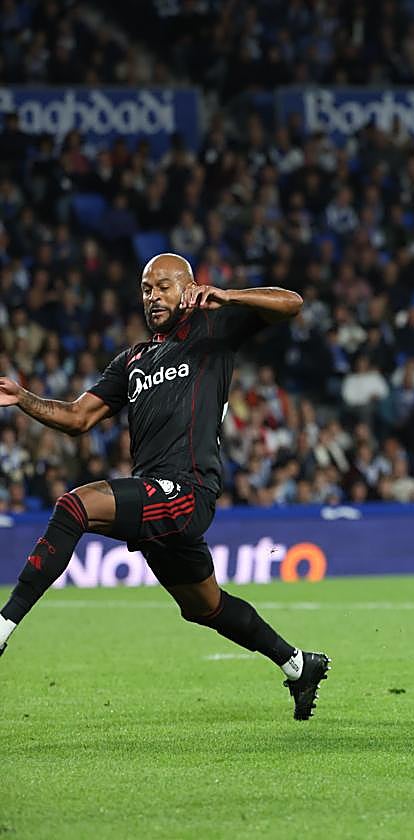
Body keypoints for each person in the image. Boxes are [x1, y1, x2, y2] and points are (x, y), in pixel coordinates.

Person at [0, 254, 330, 721]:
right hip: (155, 497)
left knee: (76, 506)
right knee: (204, 607)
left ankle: (3, 624)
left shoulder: (214, 330)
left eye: (162, 287)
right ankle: (299, 665)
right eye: (145, 289)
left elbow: (292, 304)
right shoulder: (132, 360)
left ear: (189, 288)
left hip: (187, 490)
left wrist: (229, 295)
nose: (152, 296)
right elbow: (77, 418)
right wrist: (24, 399)